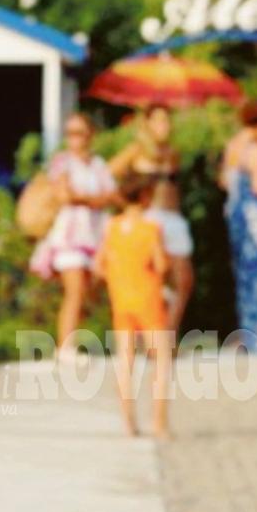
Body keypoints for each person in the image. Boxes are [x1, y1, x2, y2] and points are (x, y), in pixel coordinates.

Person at [31, 113, 118, 363]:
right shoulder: (62, 162)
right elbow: (64, 195)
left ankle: (75, 340)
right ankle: (65, 346)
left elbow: (110, 195)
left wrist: (85, 198)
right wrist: (92, 199)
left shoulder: (98, 164)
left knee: (87, 291)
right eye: (70, 133)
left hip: (94, 235)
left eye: (79, 133)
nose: (74, 139)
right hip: (69, 236)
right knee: (75, 289)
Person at [96, 172, 174, 440]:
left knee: (125, 361)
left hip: (121, 300)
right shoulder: (151, 229)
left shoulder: (112, 227)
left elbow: (99, 265)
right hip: (148, 298)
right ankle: (159, 423)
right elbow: (161, 265)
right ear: (145, 197)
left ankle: (129, 423)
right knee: (161, 362)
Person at [221, 100, 257, 350]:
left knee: (244, 275)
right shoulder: (256, 148)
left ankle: (248, 335)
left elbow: (224, 181)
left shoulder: (233, 146)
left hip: (237, 215)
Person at [147, 178, 195, 334]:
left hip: (165, 220)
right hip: (159, 221)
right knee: (176, 286)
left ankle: (164, 337)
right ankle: (162, 339)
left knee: (177, 288)